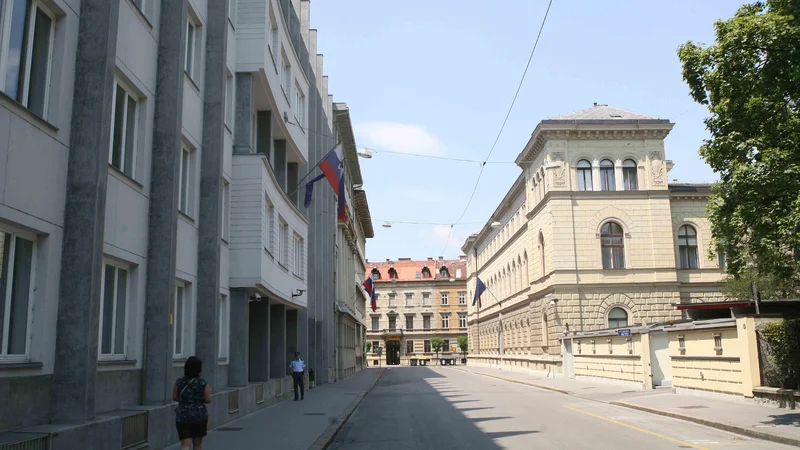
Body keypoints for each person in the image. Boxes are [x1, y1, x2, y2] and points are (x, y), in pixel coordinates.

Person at [173, 356, 212, 450]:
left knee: (185, 444)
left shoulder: (179, 382)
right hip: (199, 415)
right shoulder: (203, 383)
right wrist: (198, 399)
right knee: (197, 444)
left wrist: (185, 400)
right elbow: (208, 400)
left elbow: (174, 397)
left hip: (183, 415)